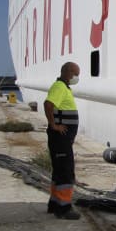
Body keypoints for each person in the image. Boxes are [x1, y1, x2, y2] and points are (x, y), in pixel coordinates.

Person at [44, 62, 81, 220]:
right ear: (68, 72)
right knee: (65, 171)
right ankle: (64, 208)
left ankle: (54, 203)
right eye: (76, 74)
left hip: (62, 139)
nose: (77, 77)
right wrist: (54, 125)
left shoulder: (64, 87)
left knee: (59, 171)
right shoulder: (59, 87)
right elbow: (48, 104)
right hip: (60, 138)